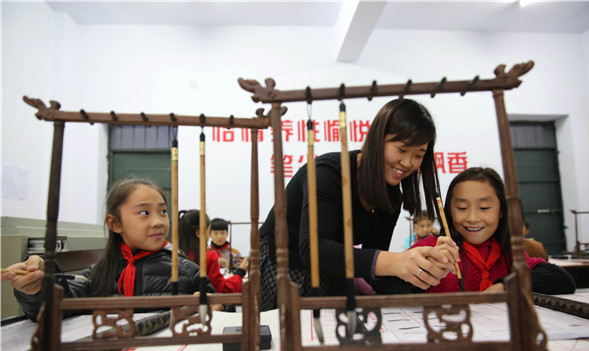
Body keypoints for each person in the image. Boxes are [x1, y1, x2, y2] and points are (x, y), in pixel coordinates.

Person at [258, 98, 460, 311]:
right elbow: (314, 249)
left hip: (333, 268)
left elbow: (372, 268)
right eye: (401, 150)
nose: (408, 163)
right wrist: (395, 262)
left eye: (418, 155)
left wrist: (423, 270)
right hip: (283, 263)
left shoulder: (391, 197)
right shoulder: (327, 174)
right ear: (377, 139)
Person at [1, 178, 219, 322]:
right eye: (144, 213)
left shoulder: (188, 271)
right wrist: (37, 288)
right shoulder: (97, 274)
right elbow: (52, 309)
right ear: (115, 224)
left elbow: (220, 312)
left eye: (163, 211)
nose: (158, 222)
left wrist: (216, 307)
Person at [409, 167, 575, 294]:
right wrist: (424, 270)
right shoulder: (432, 247)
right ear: (449, 211)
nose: (472, 218)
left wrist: (504, 286)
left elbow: (561, 280)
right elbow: (388, 287)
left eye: (484, 207)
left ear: (501, 210)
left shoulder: (506, 253)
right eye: (462, 207)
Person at [179, 210, 247, 294]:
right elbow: (221, 289)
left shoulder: (176, 254)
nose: (219, 236)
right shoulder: (209, 256)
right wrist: (240, 272)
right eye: (210, 232)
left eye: (222, 233)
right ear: (199, 233)